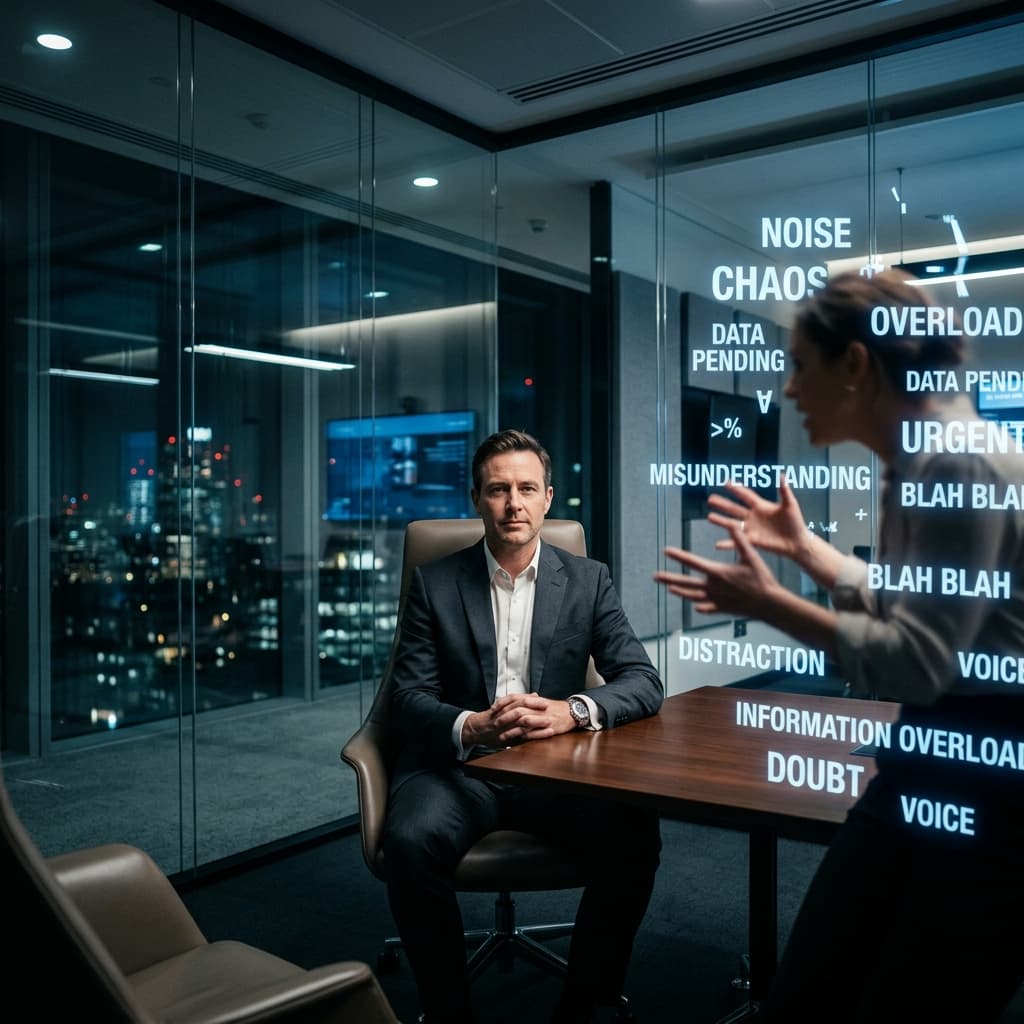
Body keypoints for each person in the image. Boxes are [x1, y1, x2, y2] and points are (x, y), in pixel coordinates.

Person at [655, 270, 1024, 1022]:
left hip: (998, 785)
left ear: (856, 364)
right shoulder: (923, 458)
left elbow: (917, 663)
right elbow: (925, 609)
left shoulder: (958, 462)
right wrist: (812, 556)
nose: (788, 389)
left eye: (799, 365)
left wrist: (771, 604)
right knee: (809, 992)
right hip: (935, 755)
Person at [382, 429, 663, 1024]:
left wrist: (572, 711)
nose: (514, 503)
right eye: (498, 489)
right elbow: (405, 698)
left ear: (548, 498)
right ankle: (448, 1010)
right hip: (460, 769)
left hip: (554, 771)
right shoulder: (434, 582)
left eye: (526, 488)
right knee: (408, 843)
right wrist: (471, 726)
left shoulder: (588, 580)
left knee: (635, 835)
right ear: (477, 498)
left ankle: (584, 1003)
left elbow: (642, 680)